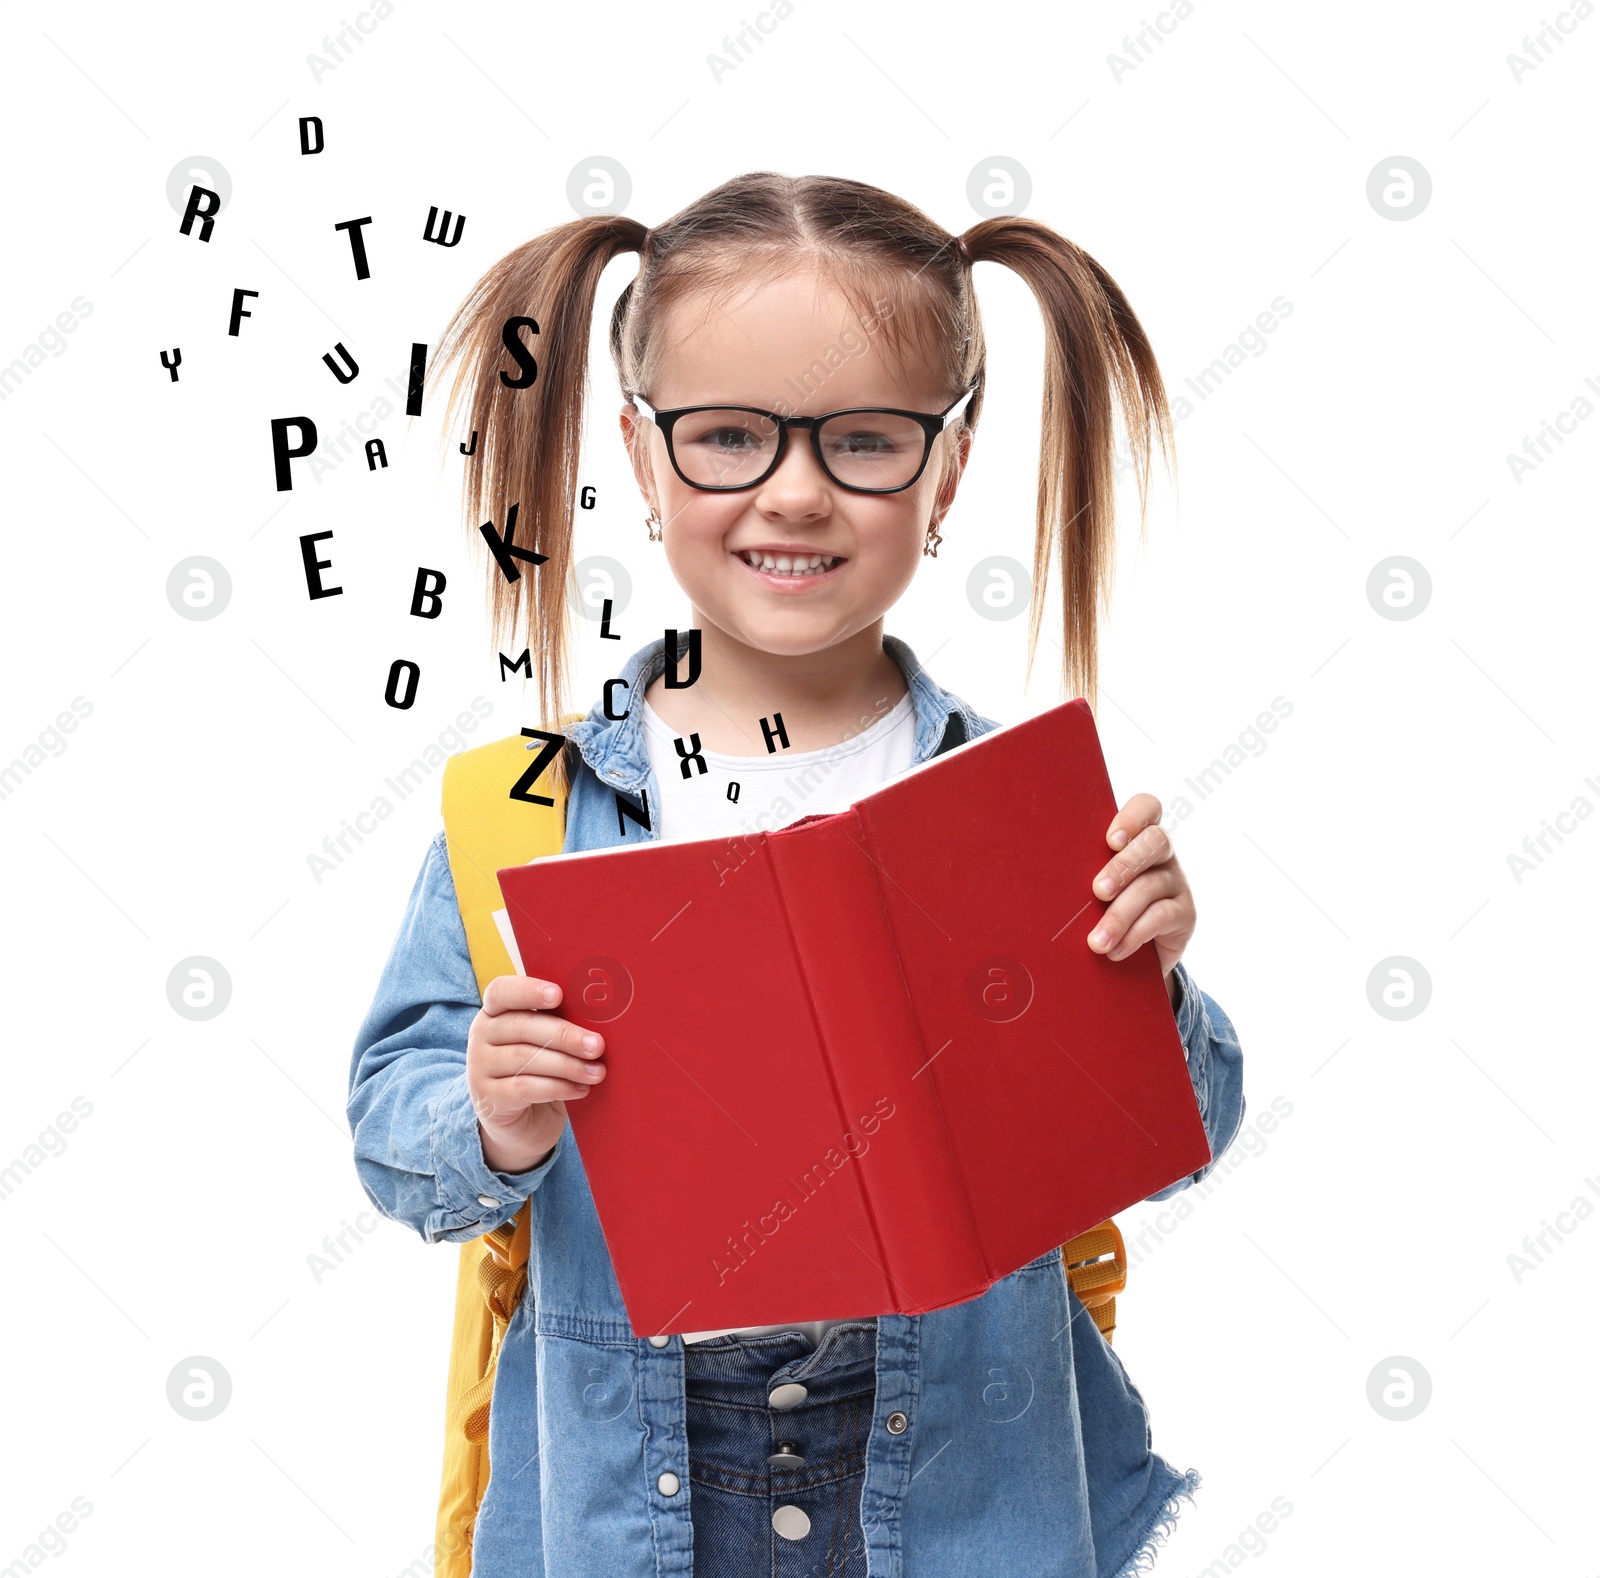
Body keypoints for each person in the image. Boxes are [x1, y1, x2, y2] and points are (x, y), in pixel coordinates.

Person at [348, 170, 1245, 1578]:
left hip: (962, 1477)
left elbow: (1189, 1131)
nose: (797, 491)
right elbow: (393, 1138)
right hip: (626, 1481)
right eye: (728, 437)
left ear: (948, 468)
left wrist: (1150, 982)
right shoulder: (524, 808)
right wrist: (490, 1110)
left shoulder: (1015, 807)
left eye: (866, 441)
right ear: (644, 460)